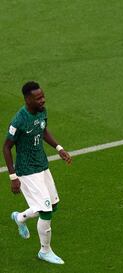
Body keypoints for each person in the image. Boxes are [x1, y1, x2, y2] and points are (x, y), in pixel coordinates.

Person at [3, 81, 72, 265]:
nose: (43, 100)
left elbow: (43, 130)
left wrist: (59, 148)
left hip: (42, 165)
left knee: (53, 206)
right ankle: (45, 251)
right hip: (27, 171)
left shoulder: (42, 111)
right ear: (27, 99)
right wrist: (13, 177)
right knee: (46, 211)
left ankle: (20, 217)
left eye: (43, 96)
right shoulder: (19, 120)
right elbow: (6, 148)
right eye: (38, 98)